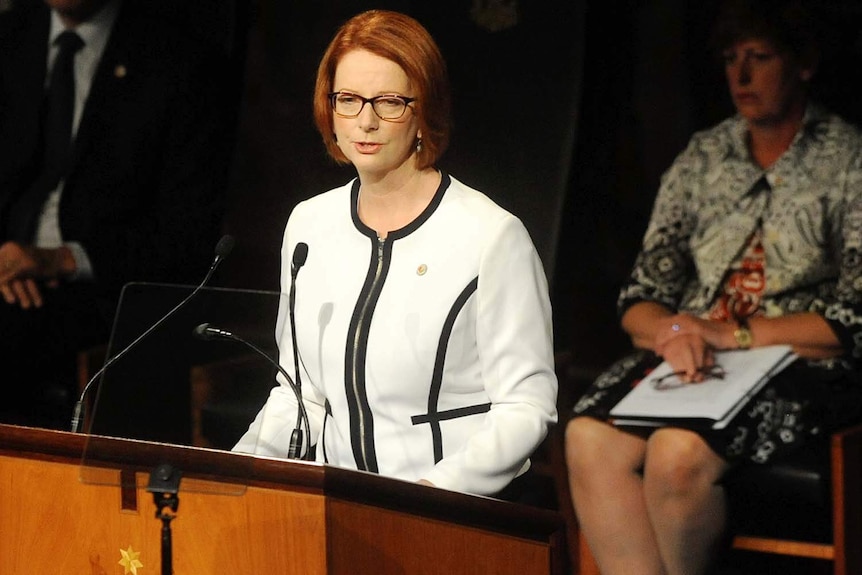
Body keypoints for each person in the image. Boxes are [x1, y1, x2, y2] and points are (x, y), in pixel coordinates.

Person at [564, 1, 862, 573]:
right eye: (731, 59)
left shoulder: (846, 159)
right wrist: (672, 331)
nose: (742, 77)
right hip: (695, 351)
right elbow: (642, 293)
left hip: (799, 360)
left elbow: (852, 319)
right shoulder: (704, 156)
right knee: (586, 438)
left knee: (675, 456)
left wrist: (730, 334)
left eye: (759, 58)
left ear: (802, 65)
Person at [233, 9, 558, 499]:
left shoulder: (490, 235)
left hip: (451, 514)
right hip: (337, 513)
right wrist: (233, 474)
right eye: (348, 100)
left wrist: (432, 493)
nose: (365, 121)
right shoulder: (309, 226)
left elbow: (527, 406)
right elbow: (300, 395)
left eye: (388, 102)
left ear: (424, 110)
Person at [0, 0, 231, 428]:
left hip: (105, 294)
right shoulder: (11, 36)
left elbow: (187, 236)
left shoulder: (178, 60)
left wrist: (62, 259)